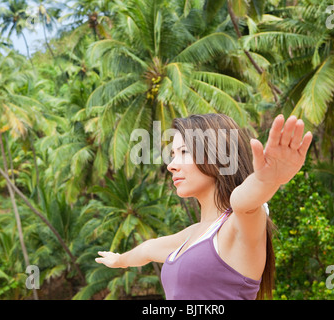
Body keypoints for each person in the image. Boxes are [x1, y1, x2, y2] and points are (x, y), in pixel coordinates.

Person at [95, 113, 312, 300]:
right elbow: (148, 249)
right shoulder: (194, 235)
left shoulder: (239, 224)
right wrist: (120, 260)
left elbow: (243, 203)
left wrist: (267, 180)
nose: (171, 165)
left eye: (184, 152)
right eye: (172, 155)